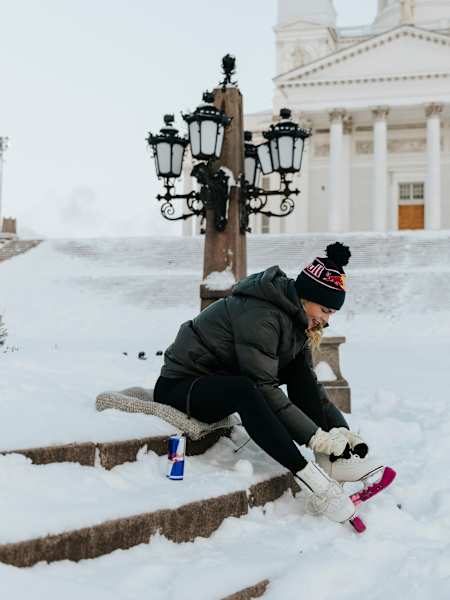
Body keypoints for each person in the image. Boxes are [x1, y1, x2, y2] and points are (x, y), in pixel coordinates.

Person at [154, 242, 382, 525]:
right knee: (247, 390)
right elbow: (262, 387)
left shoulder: (296, 321)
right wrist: (314, 437)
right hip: (182, 385)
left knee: (299, 373)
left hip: (217, 379)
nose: (325, 320)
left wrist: (338, 431)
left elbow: (310, 387)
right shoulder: (262, 316)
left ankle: (334, 463)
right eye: (324, 310)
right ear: (307, 296)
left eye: (331, 314)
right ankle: (314, 483)